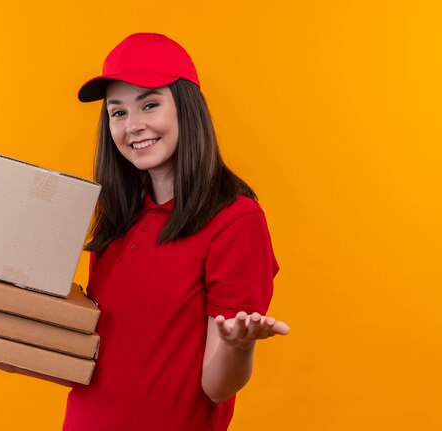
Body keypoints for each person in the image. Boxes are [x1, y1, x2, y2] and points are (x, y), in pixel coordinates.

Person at [62, 33, 290, 431]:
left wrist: (238, 347)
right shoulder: (118, 217)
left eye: (149, 104)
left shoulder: (236, 221)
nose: (133, 126)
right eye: (117, 113)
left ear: (186, 108)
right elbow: (99, 358)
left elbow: (217, 388)